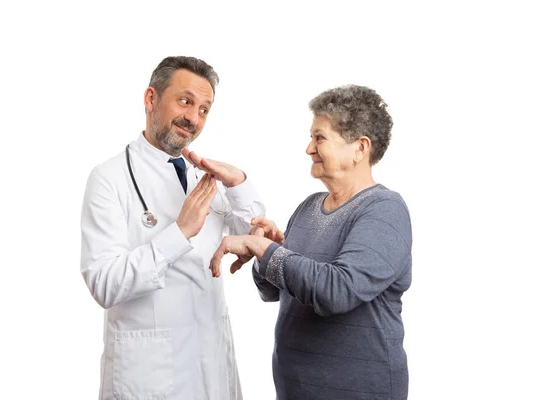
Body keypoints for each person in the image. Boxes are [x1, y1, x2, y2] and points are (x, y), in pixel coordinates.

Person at [210, 85, 412, 400]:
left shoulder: (384, 210)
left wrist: (267, 251)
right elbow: (272, 292)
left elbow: (337, 291)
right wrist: (268, 249)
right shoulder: (309, 207)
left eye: (320, 138)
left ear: (360, 148)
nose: (309, 148)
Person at [80, 56, 265, 400]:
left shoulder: (203, 176)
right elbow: (103, 284)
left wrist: (240, 182)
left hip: (211, 369)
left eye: (204, 110)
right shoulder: (109, 179)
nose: (193, 119)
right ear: (151, 99)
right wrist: (178, 233)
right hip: (149, 377)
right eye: (185, 101)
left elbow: (253, 234)